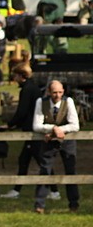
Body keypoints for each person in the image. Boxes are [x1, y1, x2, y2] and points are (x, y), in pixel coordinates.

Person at [32, 79, 80, 214]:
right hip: (49, 141)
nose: (57, 95)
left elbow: (75, 125)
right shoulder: (41, 102)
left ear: (63, 92)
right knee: (45, 170)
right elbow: (36, 125)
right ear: (48, 92)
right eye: (54, 92)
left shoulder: (68, 101)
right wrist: (53, 128)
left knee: (70, 170)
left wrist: (58, 130)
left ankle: (74, 203)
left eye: (60, 92)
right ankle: (39, 204)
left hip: (67, 140)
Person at [0, 64, 45, 199]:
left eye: (15, 75)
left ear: (21, 76)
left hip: (32, 130)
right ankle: (17, 190)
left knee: (40, 160)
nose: (14, 78)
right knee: (24, 160)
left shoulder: (26, 90)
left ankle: (54, 190)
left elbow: (22, 111)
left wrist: (10, 124)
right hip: (32, 128)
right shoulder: (33, 88)